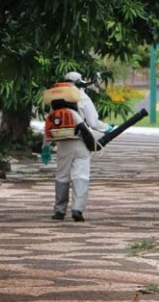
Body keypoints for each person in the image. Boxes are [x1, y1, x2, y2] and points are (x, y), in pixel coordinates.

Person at [42, 71, 111, 222]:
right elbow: (93, 123)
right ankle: (77, 209)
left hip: (63, 144)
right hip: (80, 142)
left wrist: (45, 147)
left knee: (62, 176)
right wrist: (107, 127)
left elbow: (50, 124)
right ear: (80, 82)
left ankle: (59, 211)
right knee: (81, 175)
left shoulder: (57, 98)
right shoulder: (83, 97)